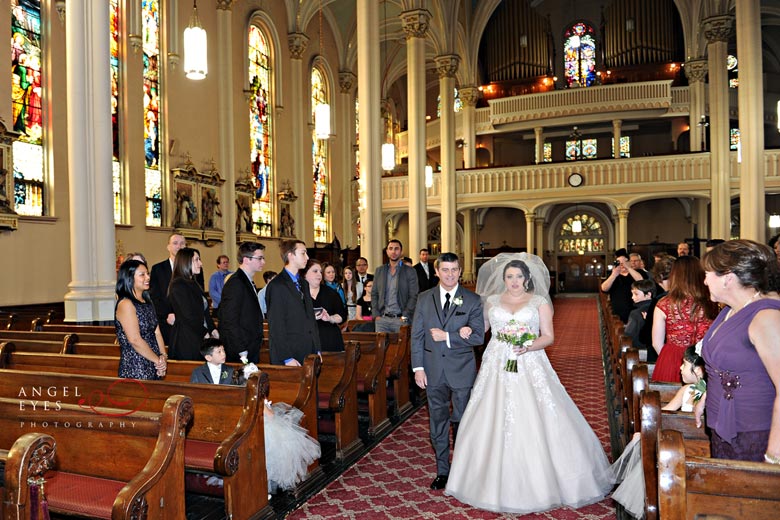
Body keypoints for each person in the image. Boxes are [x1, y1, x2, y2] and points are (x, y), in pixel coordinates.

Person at [445, 253, 612, 513]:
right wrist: (465, 329)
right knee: (490, 415)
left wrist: (527, 344)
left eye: (518, 276)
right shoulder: (491, 302)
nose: (514, 281)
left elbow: (548, 336)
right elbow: (482, 331)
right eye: (509, 277)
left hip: (529, 361)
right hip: (497, 363)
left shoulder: (538, 302)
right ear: (503, 279)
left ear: (527, 278)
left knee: (536, 414)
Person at [695, 240, 780, 463]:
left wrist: (774, 452)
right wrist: (707, 395)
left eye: (708, 274)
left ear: (728, 278)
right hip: (722, 421)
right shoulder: (730, 310)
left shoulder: (766, 317)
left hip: (754, 431)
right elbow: (730, 364)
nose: (704, 281)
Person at [411, 252, 485, 491]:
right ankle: (443, 470)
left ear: (460, 271)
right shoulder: (424, 298)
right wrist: (418, 368)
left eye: (454, 270)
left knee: (462, 420)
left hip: (461, 371)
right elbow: (417, 336)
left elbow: (477, 337)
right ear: (437, 272)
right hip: (432, 371)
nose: (450, 274)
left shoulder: (472, 300)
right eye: (445, 270)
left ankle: (464, 471)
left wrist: (449, 337)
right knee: (438, 421)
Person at [651, 255, 717, 383]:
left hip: (672, 358)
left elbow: (656, 343)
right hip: (703, 359)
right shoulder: (713, 302)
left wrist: (670, 360)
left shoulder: (664, 303)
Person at [265, 240, 320, 365]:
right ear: (290, 255)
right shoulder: (277, 286)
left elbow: (310, 318)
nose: (307, 257)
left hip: (308, 351)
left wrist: (317, 348)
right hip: (290, 353)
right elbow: (276, 325)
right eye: (303, 253)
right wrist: (287, 357)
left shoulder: (303, 284)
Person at [115, 259, 167, 380]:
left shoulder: (147, 301)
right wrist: (158, 362)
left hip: (154, 363)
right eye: (142, 274)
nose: (148, 277)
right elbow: (135, 340)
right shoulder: (126, 304)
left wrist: (163, 356)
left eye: (147, 273)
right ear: (130, 278)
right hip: (135, 367)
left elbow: (157, 332)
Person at [150, 233, 204, 345]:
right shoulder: (158, 269)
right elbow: (155, 297)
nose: (179, 246)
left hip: (190, 324)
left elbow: (199, 296)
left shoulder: (196, 270)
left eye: (182, 243)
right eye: (175, 243)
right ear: (168, 246)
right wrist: (166, 315)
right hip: (167, 321)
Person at [168, 248, 218, 361]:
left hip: (200, 336)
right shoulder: (178, 285)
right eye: (196, 260)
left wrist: (213, 329)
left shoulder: (193, 283)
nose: (200, 263)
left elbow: (204, 311)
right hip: (187, 340)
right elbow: (187, 316)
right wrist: (205, 332)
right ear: (185, 262)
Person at [219, 242, 265, 363]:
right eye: (259, 258)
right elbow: (229, 320)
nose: (263, 262)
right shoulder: (236, 283)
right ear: (246, 260)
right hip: (241, 350)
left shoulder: (247, 281)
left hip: (250, 346)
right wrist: (241, 350)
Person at [372, 239, 419, 333]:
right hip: (382, 320)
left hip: (401, 319)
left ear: (401, 252)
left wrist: (405, 316)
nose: (393, 251)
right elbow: (374, 293)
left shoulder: (410, 271)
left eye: (396, 249)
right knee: (381, 347)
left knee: (401, 348)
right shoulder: (379, 271)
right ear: (387, 251)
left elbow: (414, 295)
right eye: (391, 248)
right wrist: (376, 315)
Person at [639, 254, 675, 363]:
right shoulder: (692, 298)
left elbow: (646, 337)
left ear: (659, 277)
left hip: (661, 357)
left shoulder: (661, 301)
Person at [304, 259, 346, 352]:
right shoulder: (299, 294)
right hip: (306, 339)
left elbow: (342, 316)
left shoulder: (331, 293)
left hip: (329, 338)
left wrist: (330, 318)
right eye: (315, 271)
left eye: (320, 272)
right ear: (305, 274)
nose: (319, 274)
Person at [600, 248, 647, 323]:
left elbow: (641, 281)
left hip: (635, 311)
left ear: (629, 262)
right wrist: (613, 275)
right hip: (618, 313)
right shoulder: (614, 275)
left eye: (624, 262)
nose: (621, 265)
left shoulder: (638, 272)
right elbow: (604, 289)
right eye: (619, 262)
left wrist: (628, 268)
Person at [663, 346, 706, 412]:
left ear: (698, 370)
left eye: (684, 364)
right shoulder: (685, 389)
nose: (681, 367)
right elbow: (666, 411)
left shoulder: (709, 394)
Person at [624, 279, 655, 348]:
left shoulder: (635, 313)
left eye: (636, 294)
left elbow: (628, 335)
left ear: (648, 295)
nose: (632, 297)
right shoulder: (658, 309)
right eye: (632, 294)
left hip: (638, 350)